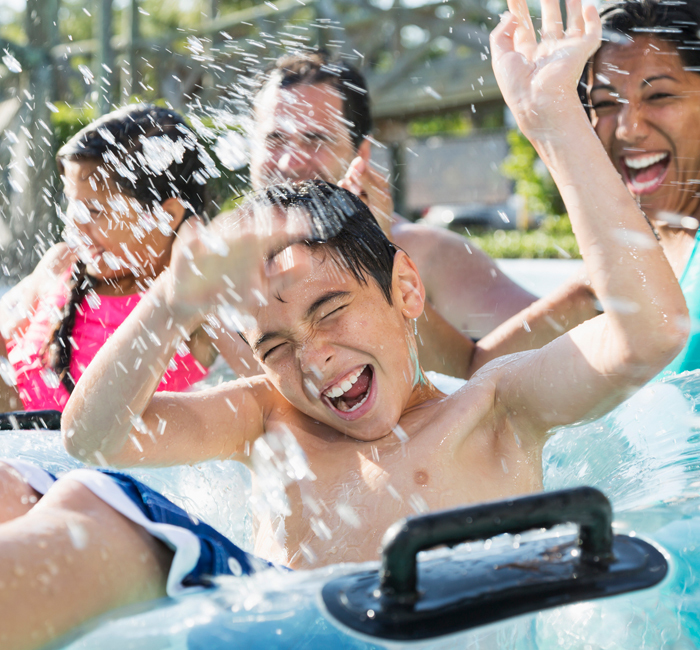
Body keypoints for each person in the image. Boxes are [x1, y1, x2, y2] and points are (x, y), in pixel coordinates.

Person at [0, 1, 690, 647]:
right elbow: (92, 437)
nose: (315, 357)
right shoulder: (268, 417)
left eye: (329, 311)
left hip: (403, 624)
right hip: (276, 616)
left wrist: (555, 123)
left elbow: (650, 335)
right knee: (71, 507)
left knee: (115, 535)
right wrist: (174, 299)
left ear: (407, 291)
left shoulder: (495, 409)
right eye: (275, 345)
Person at [243, 49, 602, 379]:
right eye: (275, 139)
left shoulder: (429, 255)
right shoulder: (217, 272)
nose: (290, 162)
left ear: (360, 154)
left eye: (314, 140)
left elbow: (578, 344)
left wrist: (377, 257)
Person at [485, 0, 700, 377]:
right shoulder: (624, 269)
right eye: (604, 103)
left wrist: (553, 130)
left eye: (659, 95)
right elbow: (474, 372)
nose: (627, 128)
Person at [0, 104, 221, 414]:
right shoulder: (63, 264)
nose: (75, 225)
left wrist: (193, 237)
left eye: (94, 211)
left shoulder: (191, 307)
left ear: (166, 215)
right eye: (72, 206)